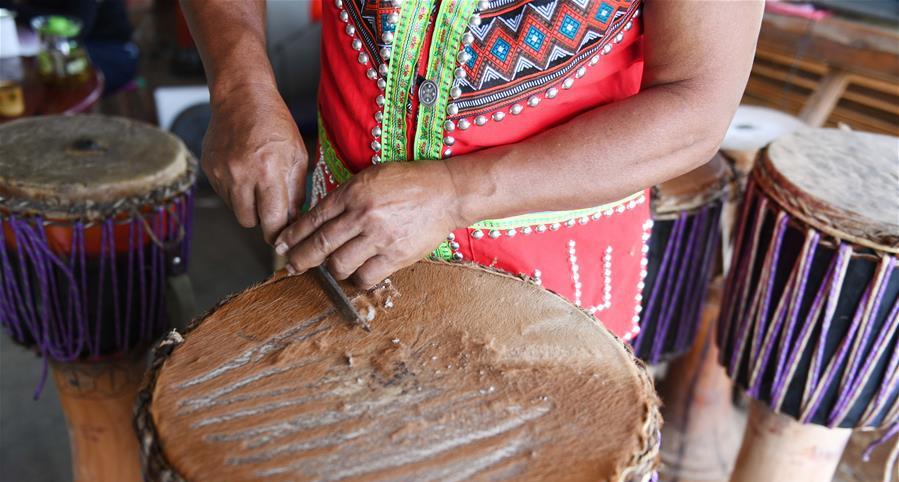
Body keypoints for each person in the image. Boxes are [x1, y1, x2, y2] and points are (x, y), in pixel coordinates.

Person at [182, 0, 762, 339]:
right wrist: (241, 87)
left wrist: (455, 194)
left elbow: (697, 105)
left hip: (545, 278)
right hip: (340, 237)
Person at [3, 0, 138, 94]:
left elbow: (77, 25)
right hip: (47, 45)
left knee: (45, 83)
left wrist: (14, 11)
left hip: (110, 49)